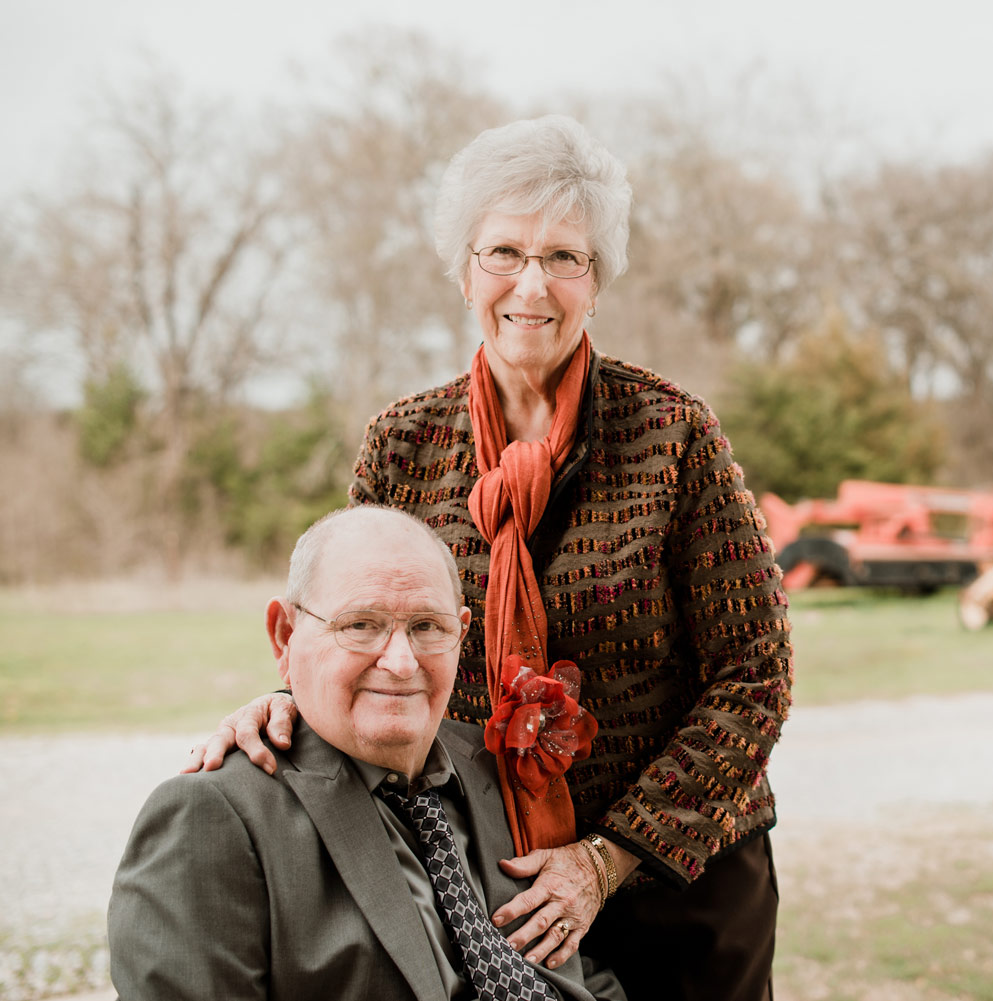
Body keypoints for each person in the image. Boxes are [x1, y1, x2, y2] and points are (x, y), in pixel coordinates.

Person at [187, 115, 792, 1001]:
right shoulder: (404, 443)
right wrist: (286, 699)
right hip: (486, 866)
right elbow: (357, 625)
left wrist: (608, 857)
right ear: (464, 268)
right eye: (504, 251)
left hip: (681, 875)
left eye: (564, 258)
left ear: (598, 279)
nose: (531, 284)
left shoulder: (672, 434)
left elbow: (756, 672)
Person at [110, 506, 623, 1000]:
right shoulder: (212, 818)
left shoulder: (496, 765)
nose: (401, 663)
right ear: (285, 636)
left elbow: (574, 974)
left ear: (461, 634)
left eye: (427, 626)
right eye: (360, 625)